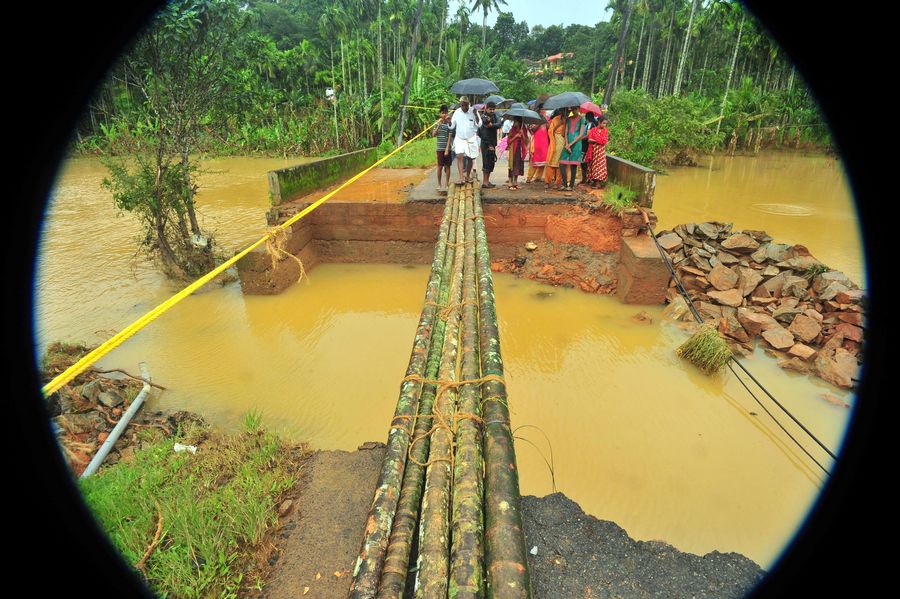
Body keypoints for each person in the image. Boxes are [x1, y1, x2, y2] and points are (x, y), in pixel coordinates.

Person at [449, 95, 481, 184]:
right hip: (459, 138)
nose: (464, 107)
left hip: (471, 138)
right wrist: (449, 121)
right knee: (459, 156)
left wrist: (475, 114)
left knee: (470, 158)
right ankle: (461, 178)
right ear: (460, 104)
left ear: (468, 104)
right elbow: (452, 126)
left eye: (466, 105)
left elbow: (479, 124)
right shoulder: (457, 112)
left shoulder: (473, 111)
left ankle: (467, 176)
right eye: (462, 105)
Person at [559, 107, 586, 192]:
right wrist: (567, 144)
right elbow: (566, 132)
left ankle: (571, 186)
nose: (574, 111)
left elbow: (581, 134)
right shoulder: (568, 119)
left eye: (575, 109)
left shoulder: (582, 118)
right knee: (562, 163)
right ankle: (564, 184)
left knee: (573, 164)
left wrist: (570, 144)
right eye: (572, 109)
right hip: (568, 142)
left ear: (578, 109)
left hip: (576, 143)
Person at [478, 101, 501, 188]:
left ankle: (487, 181)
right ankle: (485, 182)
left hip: (492, 142)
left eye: (493, 109)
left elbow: (499, 124)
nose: (492, 111)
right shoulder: (483, 117)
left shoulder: (495, 116)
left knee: (491, 162)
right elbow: (482, 132)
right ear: (486, 108)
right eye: (490, 109)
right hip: (486, 143)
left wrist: (492, 125)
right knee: (486, 162)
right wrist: (489, 145)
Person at [544, 109, 565, 190]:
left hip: (563, 143)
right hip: (554, 142)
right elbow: (550, 131)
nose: (564, 112)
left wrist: (564, 124)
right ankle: (547, 182)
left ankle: (558, 183)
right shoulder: (555, 119)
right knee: (550, 162)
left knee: (560, 164)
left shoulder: (567, 120)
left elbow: (565, 133)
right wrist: (559, 124)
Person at [505, 116, 529, 190]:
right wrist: (516, 136)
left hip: (520, 149)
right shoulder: (512, 130)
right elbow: (508, 142)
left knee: (518, 164)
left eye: (515, 122)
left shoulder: (523, 129)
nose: (514, 123)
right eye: (514, 122)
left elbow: (526, 141)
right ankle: (510, 181)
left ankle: (515, 181)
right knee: (512, 165)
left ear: (519, 123)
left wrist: (523, 135)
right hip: (513, 149)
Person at [433, 105, 453, 192]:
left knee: (447, 166)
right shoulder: (437, 123)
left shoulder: (449, 123)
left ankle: (447, 184)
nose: (444, 115)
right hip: (439, 148)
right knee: (440, 166)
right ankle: (439, 184)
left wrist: (447, 149)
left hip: (447, 148)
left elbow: (450, 136)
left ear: (447, 113)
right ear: (440, 114)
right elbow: (434, 134)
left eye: (445, 113)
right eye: (442, 113)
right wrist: (439, 125)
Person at [587, 115, 609, 188]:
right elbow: (589, 139)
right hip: (593, 151)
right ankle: (594, 181)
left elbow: (604, 141)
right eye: (603, 123)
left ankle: (598, 183)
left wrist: (595, 140)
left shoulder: (605, 131)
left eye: (605, 124)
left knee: (600, 166)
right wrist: (598, 140)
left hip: (601, 152)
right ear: (599, 122)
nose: (604, 125)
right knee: (593, 166)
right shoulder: (593, 130)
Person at [525, 116, 549, 184]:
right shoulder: (533, 118)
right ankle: (529, 177)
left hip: (544, 141)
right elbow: (532, 130)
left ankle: (538, 177)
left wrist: (546, 122)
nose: (543, 111)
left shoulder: (546, 118)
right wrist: (540, 122)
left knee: (544, 159)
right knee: (534, 159)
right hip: (536, 142)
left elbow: (549, 128)